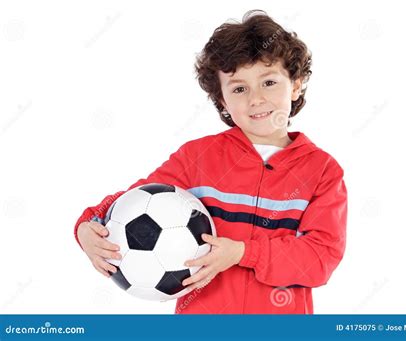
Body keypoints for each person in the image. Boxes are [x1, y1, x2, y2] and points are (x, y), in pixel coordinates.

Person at [74, 10, 348, 314]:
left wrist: (244, 253)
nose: (256, 99)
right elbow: (135, 200)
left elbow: (321, 258)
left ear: (295, 85)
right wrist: (88, 226)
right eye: (239, 88)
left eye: (269, 82)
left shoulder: (321, 171)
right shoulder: (198, 158)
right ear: (221, 101)